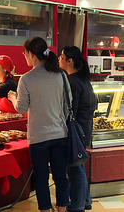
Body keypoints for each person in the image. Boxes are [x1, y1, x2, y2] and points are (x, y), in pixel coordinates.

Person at [8, 37, 71, 212]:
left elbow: (21, 108)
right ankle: (62, 210)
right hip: (60, 134)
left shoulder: (26, 79)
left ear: (30, 54)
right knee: (60, 176)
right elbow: (69, 103)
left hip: (38, 137)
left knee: (42, 177)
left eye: (24, 54)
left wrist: (12, 97)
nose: (25, 58)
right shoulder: (61, 75)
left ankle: (45, 209)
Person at [58, 46, 96, 212]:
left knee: (75, 168)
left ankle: (77, 206)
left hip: (76, 132)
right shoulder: (82, 80)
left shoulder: (73, 82)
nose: (59, 59)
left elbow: (70, 111)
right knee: (78, 165)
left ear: (69, 61)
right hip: (84, 129)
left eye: (61, 56)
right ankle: (85, 200)